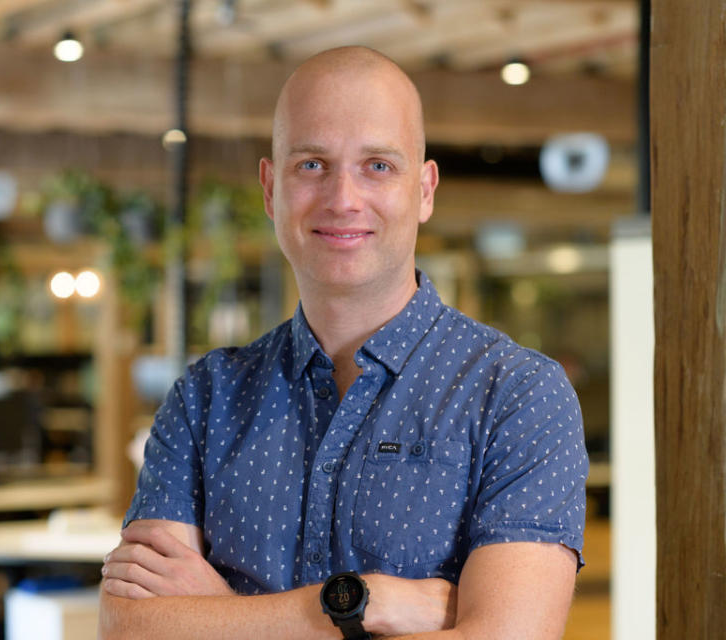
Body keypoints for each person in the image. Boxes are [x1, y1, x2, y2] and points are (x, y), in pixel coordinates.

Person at [99, 46, 587, 640]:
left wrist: (218, 612)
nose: (343, 199)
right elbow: (132, 626)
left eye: (378, 165)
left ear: (425, 190)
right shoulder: (207, 396)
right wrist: (366, 604)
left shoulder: (517, 395)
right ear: (270, 188)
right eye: (311, 164)